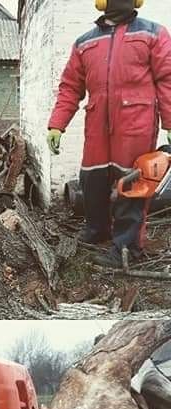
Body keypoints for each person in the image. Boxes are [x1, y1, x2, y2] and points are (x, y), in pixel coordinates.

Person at [48, 0, 171, 267]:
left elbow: (167, 79)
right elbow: (70, 87)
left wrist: (170, 122)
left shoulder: (153, 33)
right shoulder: (84, 42)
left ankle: (126, 248)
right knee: (92, 180)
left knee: (133, 186)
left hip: (136, 124)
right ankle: (97, 232)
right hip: (97, 126)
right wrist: (57, 124)